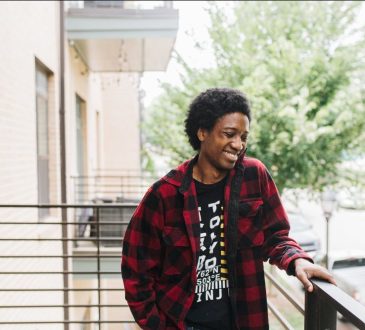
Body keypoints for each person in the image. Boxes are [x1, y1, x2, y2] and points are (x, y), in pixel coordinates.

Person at [121, 88, 335, 330]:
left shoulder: (254, 176)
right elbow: (136, 270)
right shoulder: (164, 194)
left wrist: (297, 261)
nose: (238, 144)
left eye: (243, 136)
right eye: (229, 134)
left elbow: (276, 236)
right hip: (182, 323)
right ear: (202, 132)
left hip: (243, 320)